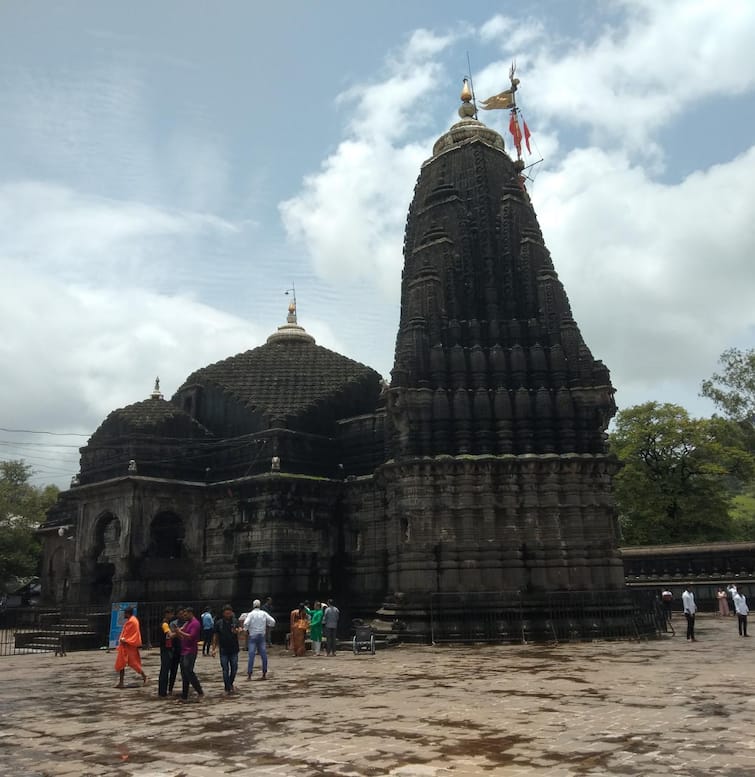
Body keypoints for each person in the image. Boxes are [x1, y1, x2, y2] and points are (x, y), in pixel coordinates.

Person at [175, 606, 204, 701]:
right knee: (184, 674)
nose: (184, 616)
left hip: (190, 651)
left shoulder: (195, 623)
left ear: (190, 613)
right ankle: (184, 695)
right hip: (184, 650)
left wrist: (180, 632)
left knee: (189, 671)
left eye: (185, 615)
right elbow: (183, 636)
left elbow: (191, 637)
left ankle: (199, 691)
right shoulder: (187, 623)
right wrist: (178, 632)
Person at [114, 606, 147, 688]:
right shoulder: (132, 620)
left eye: (125, 613)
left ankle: (144, 676)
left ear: (128, 613)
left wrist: (125, 640)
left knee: (134, 663)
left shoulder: (132, 621)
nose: (124, 614)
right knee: (122, 663)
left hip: (129, 645)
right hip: (126, 645)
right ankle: (121, 682)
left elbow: (131, 634)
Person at [211, 604, 240, 694]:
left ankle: (229, 684)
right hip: (223, 649)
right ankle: (227, 688)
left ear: (231, 613)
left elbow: (240, 631)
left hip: (234, 649)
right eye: (226, 613)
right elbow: (215, 636)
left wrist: (238, 631)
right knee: (225, 669)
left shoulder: (235, 621)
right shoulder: (219, 623)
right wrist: (213, 648)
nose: (228, 615)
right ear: (223, 613)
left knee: (234, 668)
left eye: (229, 613)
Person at [244, 598, 276, 679]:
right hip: (261, 636)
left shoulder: (250, 614)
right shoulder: (263, 613)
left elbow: (246, 623)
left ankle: (249, 674)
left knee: (251, 655)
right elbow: (272, 621)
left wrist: (246, 629)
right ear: (259, 605)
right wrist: (268, 625)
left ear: (253, 605)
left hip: (253, 636)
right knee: (264, 655)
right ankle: (264, 673)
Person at [157, 607, 178, 697]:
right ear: (167, 614)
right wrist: (179, 632)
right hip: (165, 649)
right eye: (171, 614)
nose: (172, 616)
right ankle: (162, 692)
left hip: (166, 648)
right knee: (165, 671)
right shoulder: (165, 624)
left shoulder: (167, 624)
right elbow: (170, 635)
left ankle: (163, 691)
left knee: (165, 670)